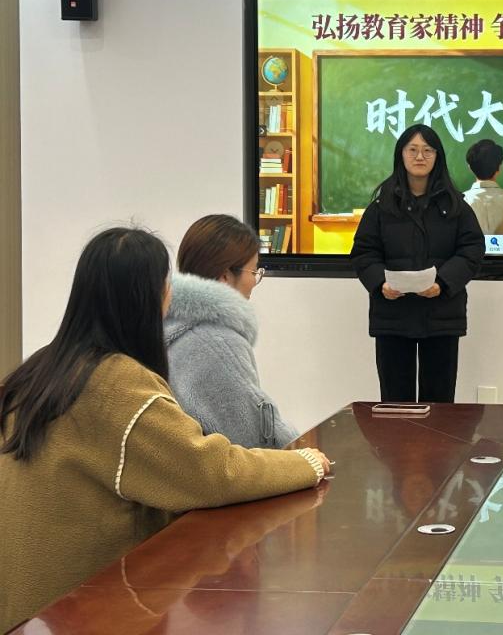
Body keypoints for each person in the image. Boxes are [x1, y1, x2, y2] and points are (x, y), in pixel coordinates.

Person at [0, 227, 331, 632]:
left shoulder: (39, 370)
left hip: (26, 602)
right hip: (82, 608)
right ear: (151, 297)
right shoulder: (118, 385)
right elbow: (210, 472)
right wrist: (304, 463)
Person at [351, 124, 484, 403]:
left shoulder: (456, 206)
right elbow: (364, 252)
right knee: (395, 403)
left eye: (427, 150)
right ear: (401, 155)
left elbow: (472, 250)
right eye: (412, 149)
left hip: (441, 314)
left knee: (439, 404)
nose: (420, 156)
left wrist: (443, 283)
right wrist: (380, 283)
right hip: (393, 314)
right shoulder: (381, 207)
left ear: (437, 156)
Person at [166, 214, 298, 448]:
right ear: (226, 276)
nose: (255, 282)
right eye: (254, 272)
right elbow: (251, 437)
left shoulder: (171, 323)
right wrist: (301, 452)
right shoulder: (216, 343)